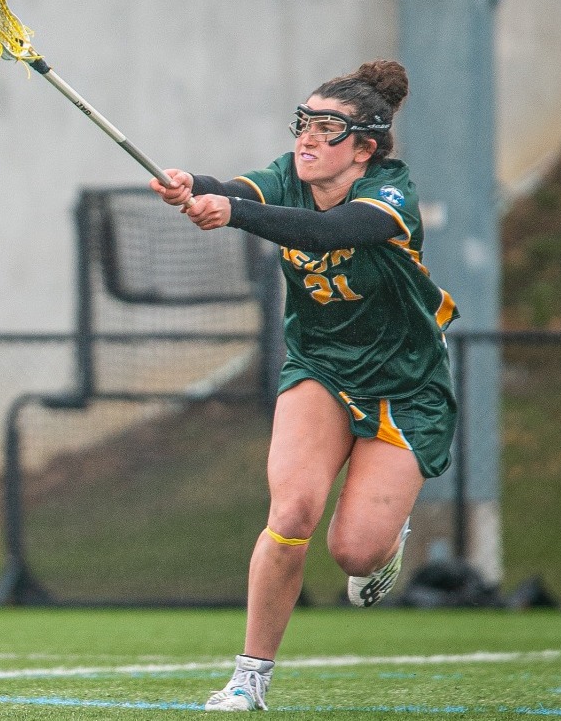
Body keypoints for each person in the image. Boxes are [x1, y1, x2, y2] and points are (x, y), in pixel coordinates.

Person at [149, 61, 458, 712]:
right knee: (290, 515)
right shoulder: (287, 176)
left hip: (406, 383)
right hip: (321, 363)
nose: (307, 139)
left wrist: (229, 212)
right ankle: (249, 677)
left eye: (327, 128)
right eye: (303, 124)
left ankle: (384, 539)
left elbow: (329, 231)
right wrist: (192, 185)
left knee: (354, 550)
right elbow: (239, 188)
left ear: (365, 147)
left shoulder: (390, 193)